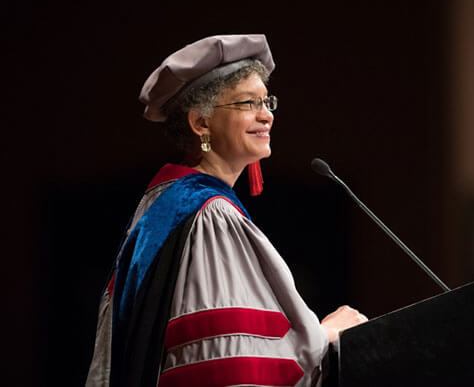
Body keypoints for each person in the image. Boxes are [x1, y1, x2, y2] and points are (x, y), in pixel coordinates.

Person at [85, 34, 368, 387]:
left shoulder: (167, 202)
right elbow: (227, 361)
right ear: (200, 123)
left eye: (268, 102)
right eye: (248, 103)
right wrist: (325, 334)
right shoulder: (209, 217)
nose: (266, 116)